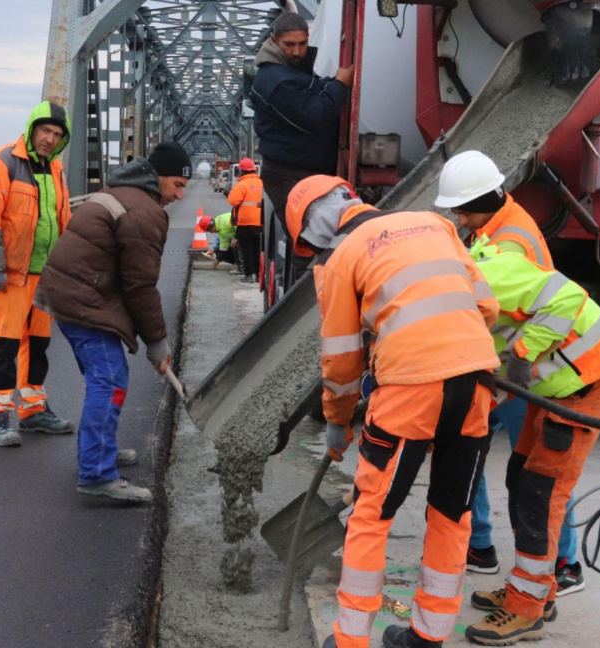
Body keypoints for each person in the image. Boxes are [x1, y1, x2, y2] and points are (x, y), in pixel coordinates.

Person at [288, 176, 500, 648]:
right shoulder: (434, 223)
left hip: (409, 389)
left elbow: (342, 362)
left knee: (372, 514)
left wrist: (338, 424)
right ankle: (428, 636)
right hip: (477, 381)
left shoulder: (341, 260)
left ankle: (351, 640)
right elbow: (486, 306)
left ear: (316, 230)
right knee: (451, 513)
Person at [464, 237, 600, 645]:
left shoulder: (487, 279)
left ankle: (526, 609)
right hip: (558, 385)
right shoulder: (461, 281)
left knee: (541, 492)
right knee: (519, 476)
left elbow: (569, 297)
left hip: (590, 378)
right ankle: (538, 590)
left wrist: (524, 354)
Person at [435, 151, 585, 595]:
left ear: (488, 197)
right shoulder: (493, 224)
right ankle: (479, 546)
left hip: (522, 371)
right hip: (494, 366)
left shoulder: (511, 241)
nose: (459, 219)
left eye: (463, 209)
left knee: (541, 469)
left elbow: (498, 304)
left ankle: (562, 562)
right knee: (466, 452)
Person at [34, 142, 191, 503]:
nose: (180, 195)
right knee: (109, 380)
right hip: (82, 299)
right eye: (177, 185)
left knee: (105, 379)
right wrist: (157, 342)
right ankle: (97, 473)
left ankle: (99, 449)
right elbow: (140, 285)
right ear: (159, 177)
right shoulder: (144, 212)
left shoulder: (122, 191)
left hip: (68, 293)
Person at [0, 101, 75, 447]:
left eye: (57, 134)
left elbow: (63, 220)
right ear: (32, 128)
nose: (50, 138)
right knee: (5, 344)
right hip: (12, 274)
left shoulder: (55, 168)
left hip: (45, 274)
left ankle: (33, 410)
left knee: (39, 345)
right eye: (45, 130)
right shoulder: (2, 162)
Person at [251, 12, 353, 244]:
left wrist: (330, 83)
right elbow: (313, 117)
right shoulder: (276, 80)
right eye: (289, 45)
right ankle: (308, 282)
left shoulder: (288, 71)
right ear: (274, 40)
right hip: (291, 175)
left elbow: (311, 91)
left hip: (301, 172)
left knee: (315, 241)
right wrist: (338, 85)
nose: (297, 51)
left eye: (302, 43)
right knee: (309, 243)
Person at [228, 158, 264, 283]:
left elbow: (233, 201)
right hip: (260, 222)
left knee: (246, 250)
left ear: (241, 171)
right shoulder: (262, 183)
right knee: (258, 249)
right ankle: (260, 275)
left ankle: (249, 275)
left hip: (245, 223)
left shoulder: (241, 185)